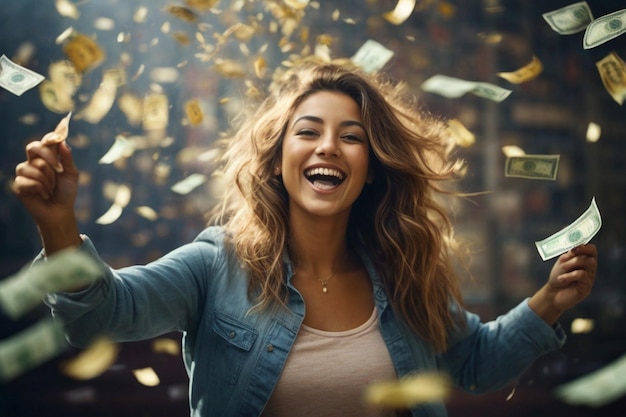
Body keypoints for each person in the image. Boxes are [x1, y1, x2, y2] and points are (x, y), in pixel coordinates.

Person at [12, 62, 598, 417]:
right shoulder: (215, 264)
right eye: (308, 131)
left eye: (352, 137)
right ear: (278, 161)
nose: (327, 147)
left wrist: (552, 299)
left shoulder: (399, 272)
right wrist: (58, 221)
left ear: (371, 168)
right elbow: (100, 316)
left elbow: (474, 362)